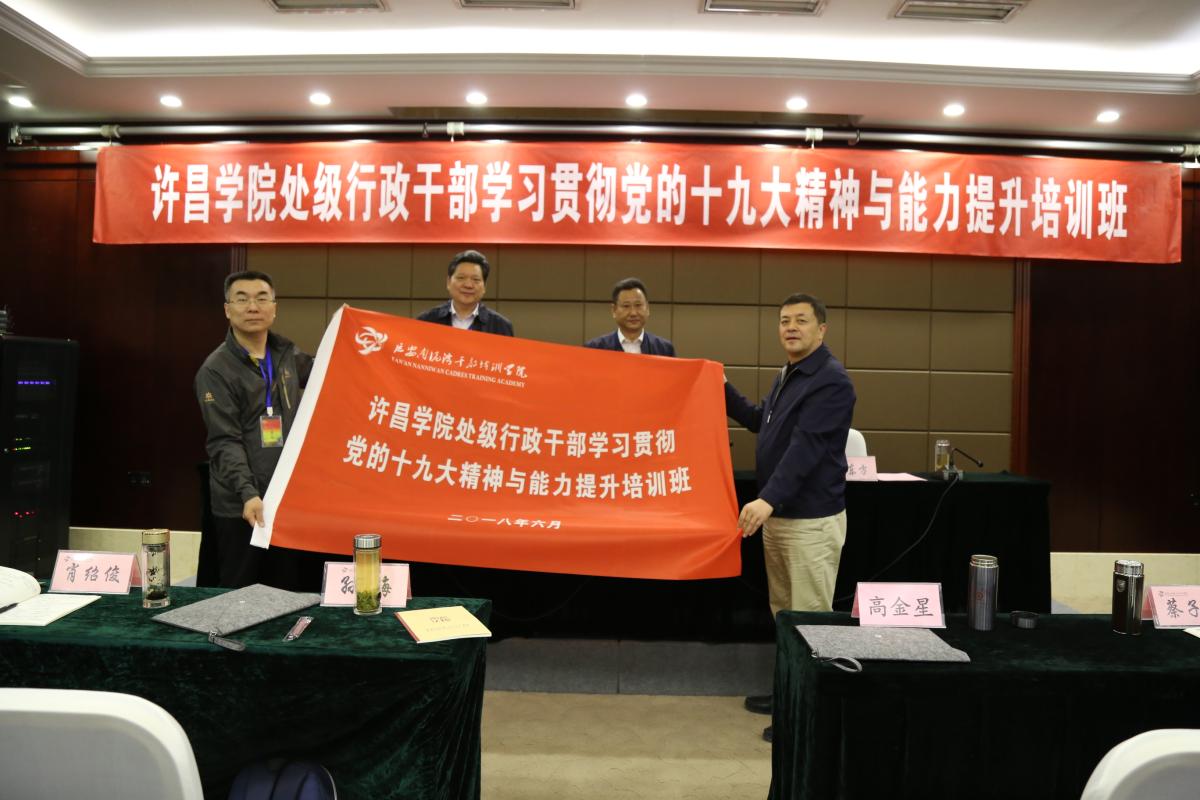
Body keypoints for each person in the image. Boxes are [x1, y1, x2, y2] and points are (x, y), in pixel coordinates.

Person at [723, 292, 856, 742]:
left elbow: (807, 449)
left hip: (809, 523)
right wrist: (721, 388)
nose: (791, 328)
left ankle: (807, 721)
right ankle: (789, 694)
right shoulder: (788, 374)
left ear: (822, 329)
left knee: (811, 622)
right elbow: (759, 419)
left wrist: (767, 499)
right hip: (781, 519)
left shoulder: (831, 381)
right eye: (784, 321)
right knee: (785, 616)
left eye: (801, 320)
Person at [195, 270, 313, 588]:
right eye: (242, 299)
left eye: (262, 298)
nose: (252, 307)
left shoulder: (287, 355)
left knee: (286, 589)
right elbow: (224, 441)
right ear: (227, 309)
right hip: (242, 505)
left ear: (274, 308)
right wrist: (248, 493)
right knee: (241, 593)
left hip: (283, 501)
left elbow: (329, 370)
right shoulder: (216, 370)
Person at [416, 249, 514, 335]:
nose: (468, 285)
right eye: (461, 278)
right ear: (448, 282)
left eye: (475, 279)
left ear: (484, 286)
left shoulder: (500, 326)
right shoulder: (425, 321)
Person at [584, 277, 675, 356]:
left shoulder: (665, 349)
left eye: (638, 305)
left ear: (647, 308)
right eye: (626, 306)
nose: (633, 313)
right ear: (614, 310)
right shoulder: (594, 349)